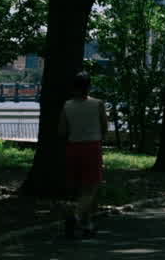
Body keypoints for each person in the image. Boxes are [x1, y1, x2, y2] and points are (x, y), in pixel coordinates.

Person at [59, 71, 108, 239]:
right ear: (89, 87)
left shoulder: (67, 106)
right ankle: (77, 215)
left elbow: (62, 130)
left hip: (73, 147)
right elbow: (104, 127)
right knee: (91, 188)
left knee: (77, 187)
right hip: (92, 147)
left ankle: (87, 225)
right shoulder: (98, 104)